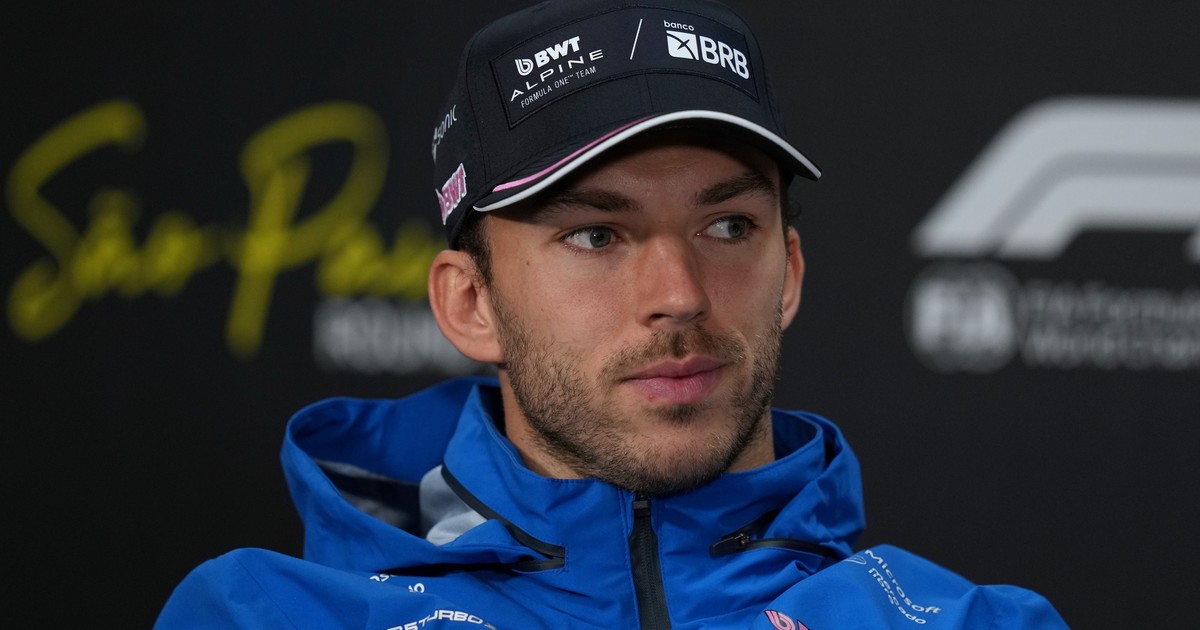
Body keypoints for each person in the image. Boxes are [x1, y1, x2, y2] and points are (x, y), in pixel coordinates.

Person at [157, 0, 1068, 627]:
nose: (679, 293)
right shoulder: (267, 615)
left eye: (727, 225)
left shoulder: (971, 622)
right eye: (596, 236)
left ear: (788, 272)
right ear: (471, 304)